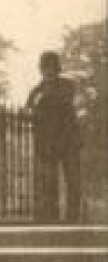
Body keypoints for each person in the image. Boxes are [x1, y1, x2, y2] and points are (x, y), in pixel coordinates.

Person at [27, 51, 82, 223]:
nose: (47, 71)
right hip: (47, 142)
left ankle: (72, 216)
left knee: (73, 179)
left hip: (68, 140)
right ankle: (51, 215)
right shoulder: (37, 90)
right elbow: (29, 109)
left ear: (57, 69)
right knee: (49, 181)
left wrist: (43, 99)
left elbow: (64, 101)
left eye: (51, 68)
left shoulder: (67, 85)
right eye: (44, 68)